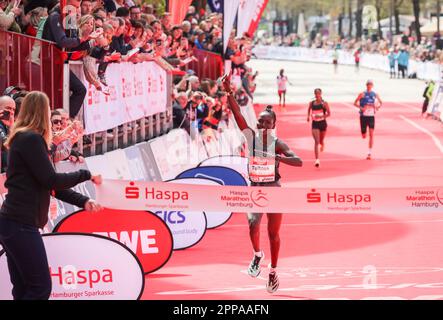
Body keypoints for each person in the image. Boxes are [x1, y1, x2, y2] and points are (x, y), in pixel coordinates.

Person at [0, 91, 103, 300]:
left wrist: (83, 201)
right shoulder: (31, 139)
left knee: (23, 288)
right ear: (41, 113)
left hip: (15, 222)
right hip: (20, 223)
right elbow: (51, 181)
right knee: (39, 288)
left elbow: (49, 185)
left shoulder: (24, 138)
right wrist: (87, 174)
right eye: (48, 112)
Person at [222, 74, 303, 294]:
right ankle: (258, 255)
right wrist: (228, 91)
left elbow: (299, 161)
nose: (264, 124)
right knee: (252, 224)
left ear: (274, 124)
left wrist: (280, 158)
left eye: (268, 122)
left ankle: (273, 271)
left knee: (273, 234)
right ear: (257, 123)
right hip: (255, 188)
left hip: (274, 190)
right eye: (261, 121)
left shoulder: (278, 143)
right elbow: (237, 113)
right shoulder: (250, 136)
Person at [354, 80, 383, 160]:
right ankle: (363, 133)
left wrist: (377, 107)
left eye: (370, 85)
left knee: (371, 134)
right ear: (366, 85)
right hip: (363, 117)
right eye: (368, 85)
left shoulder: (375, 94)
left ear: (372, 85)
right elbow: (355, 103)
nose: (369, 86)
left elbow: (380, 103)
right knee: (364, 136)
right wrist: (361, 108)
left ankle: (369, 153)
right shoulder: (362, 94)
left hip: (371, 117)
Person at [307, 88, 331, 168]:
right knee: (316, 141)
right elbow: (309, 109)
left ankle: (322, 143)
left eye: (318, 93)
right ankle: (317, 160)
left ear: (321, 94)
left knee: (321, 141)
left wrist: (321, 116)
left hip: (323, 123)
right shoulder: (312, 103)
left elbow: (329, 114)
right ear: (314, 94)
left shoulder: (324, 103)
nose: (317, 95)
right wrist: (308, 116)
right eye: (316, 93)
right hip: (315, 124)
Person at [0, 95, 16, 172]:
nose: (11, 112)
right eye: (8, 108)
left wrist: (11, 127)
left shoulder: (9, 126)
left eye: (13, 109)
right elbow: (6, 145)